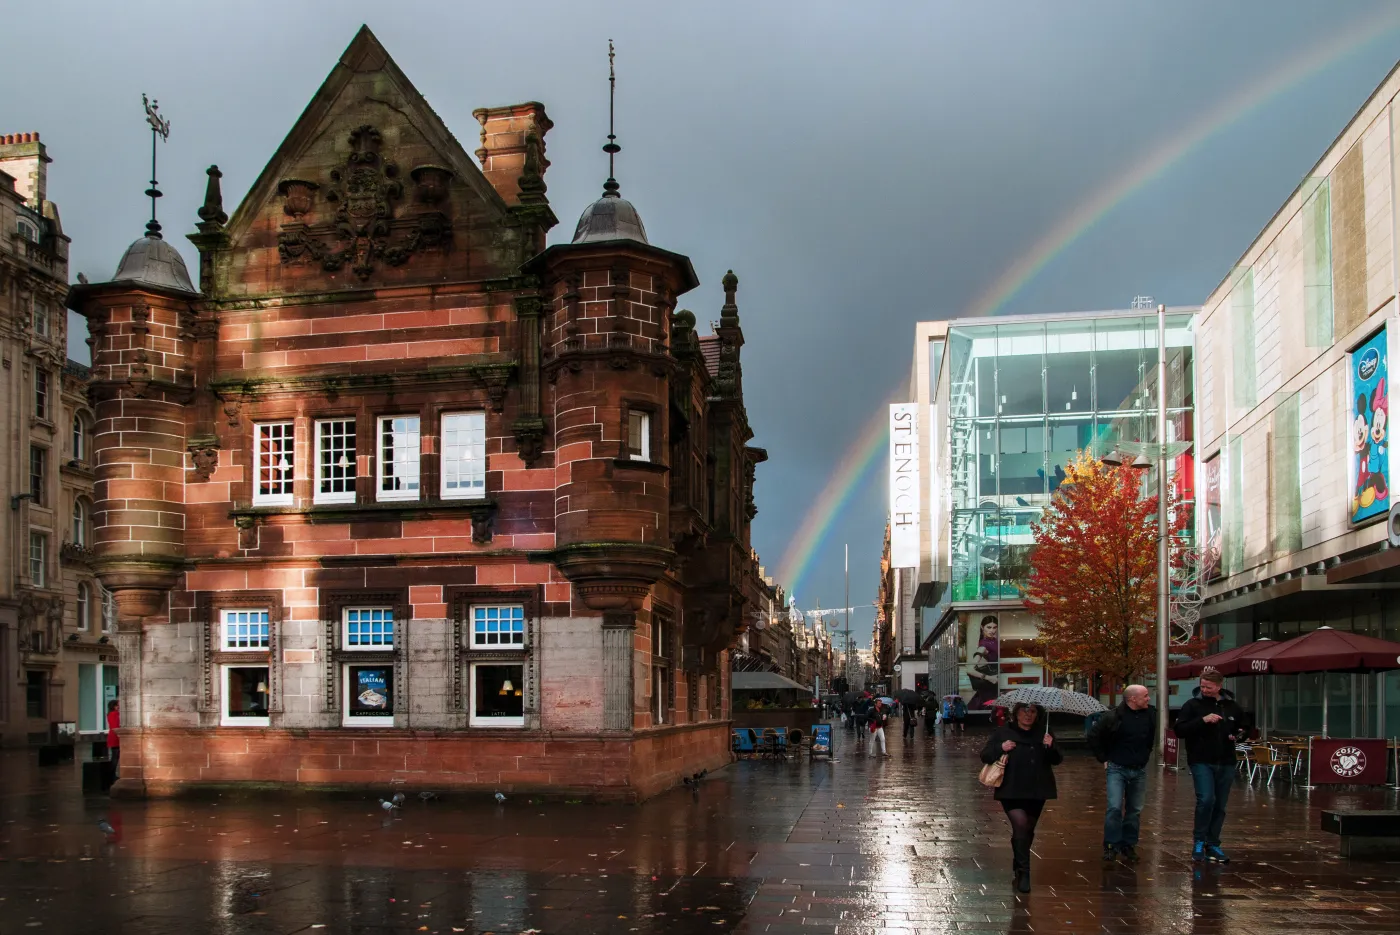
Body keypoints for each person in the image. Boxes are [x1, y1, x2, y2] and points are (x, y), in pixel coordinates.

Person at [980, 702, 1061, 893]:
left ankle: (1018, 861)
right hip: (1012, 788)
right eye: (1024, 711)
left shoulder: (1044, 733)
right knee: (1021, 824)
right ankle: (1025, 872)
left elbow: (1057, 760)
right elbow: (985, 755)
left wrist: (1051, 746)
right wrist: (1001, 747)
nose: (1028, 715)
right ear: (1016, 714)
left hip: (1037, 788)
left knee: (1028, 830)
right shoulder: (1003, 733)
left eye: (1032, 712)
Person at [1173, 667, 1251, 863]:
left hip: (1226, 760)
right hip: (1201, 760)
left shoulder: (1232, 706)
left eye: (1208, 687)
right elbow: (1180, 730)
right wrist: (1203, 720)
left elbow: (1245, 727)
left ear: (1218, 686)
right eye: (1202, 686)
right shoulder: (1192, 705)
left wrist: (1239, 734)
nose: (1205, 690)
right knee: (1206, 799)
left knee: (1220, 804)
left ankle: (1213, 843)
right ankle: (1199, 841)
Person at [1087, 685, 1156, 863]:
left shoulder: (1150, 714)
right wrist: (1103, 758)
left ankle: (1129, 844)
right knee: (1114, 807)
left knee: (1134, 810)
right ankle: (1111, 845)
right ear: (1132, 699)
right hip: (1117, 767)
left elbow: (1149, 737)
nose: (1148, 699)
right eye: (1145, 696)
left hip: (1139, 768)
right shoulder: (1113, 717)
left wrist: (1145, 756)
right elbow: (1094, 736)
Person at [105, 699, 121, 777]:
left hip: (113, 736)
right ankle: (111, 774)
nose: (119, 707)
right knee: (115, 757)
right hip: (115, 737)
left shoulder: (111, 714)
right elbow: (116, 726)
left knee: (115, 756)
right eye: (117, 705)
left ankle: (111, 773)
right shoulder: (114, 714)